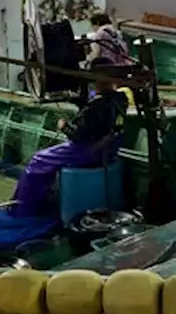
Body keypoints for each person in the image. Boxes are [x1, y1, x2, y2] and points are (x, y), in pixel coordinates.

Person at [9, 76, 128, 217]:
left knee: (38, 161)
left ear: (98, 81)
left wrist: (64, 127)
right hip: (108, 150)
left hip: (88, 151)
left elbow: (78, 136)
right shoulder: (121, 100)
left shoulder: (97, 105)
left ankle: (22, 210)